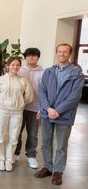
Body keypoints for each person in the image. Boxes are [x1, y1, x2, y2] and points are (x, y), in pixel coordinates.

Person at [35, 44, 84, 185]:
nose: (62, 54)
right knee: (45, 142)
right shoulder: (49, 71)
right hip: (47, 113)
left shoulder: (77, 74)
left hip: (64, 115)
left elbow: (75, 96)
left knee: (61, 146)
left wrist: (58, 111)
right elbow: (42, 91)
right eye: (59, 52)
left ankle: (58, 171)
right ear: (56, 53)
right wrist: (48, 109)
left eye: (65, 52)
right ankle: (47, 167)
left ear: (70, 54)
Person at [0, 56, 33, 172]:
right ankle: (0, 160)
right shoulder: (0, 80)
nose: (15, 67)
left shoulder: (23, 81)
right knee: (0, 136)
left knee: (13, 137)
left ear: (20, 67)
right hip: (2, 110)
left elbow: (29, 96)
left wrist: (19, 103)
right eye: (13, 65)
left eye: (17, 65)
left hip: (17, 112)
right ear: (8, 66)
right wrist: (2, 102)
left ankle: (9, 160)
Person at [14, 48, 44, 169]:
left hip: (35, 108)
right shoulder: (19, 70)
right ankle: (15, 153)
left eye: (34, 56)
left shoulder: (43, 72)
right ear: (25, 57)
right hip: (19, 107)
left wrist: (42, 108)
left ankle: (31, 156)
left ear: (38, 57)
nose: (31, 57)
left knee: (32, 134)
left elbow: (45, 91)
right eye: (29, 56)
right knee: (17, 132)